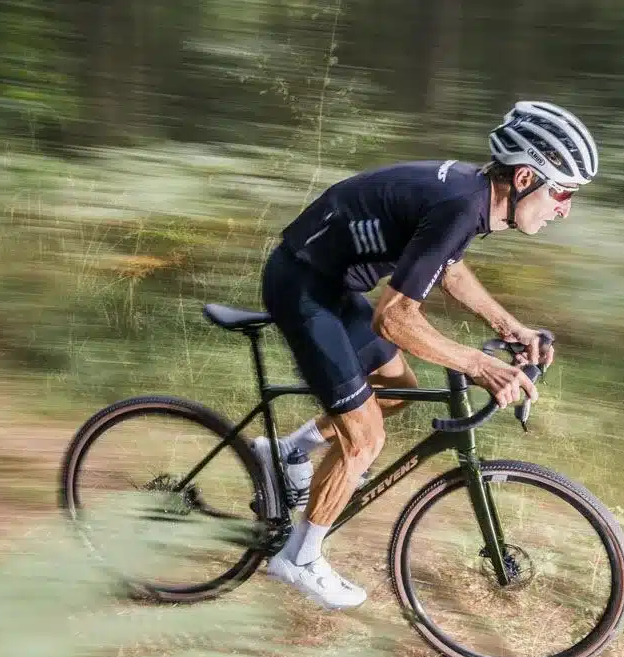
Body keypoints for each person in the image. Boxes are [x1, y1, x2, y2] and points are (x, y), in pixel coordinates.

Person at [252, 100, 598, 610]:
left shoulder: (471, 197)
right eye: (563, 192)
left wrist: (511, 328)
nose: (564, 208)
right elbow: (392, 318)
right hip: (302, 287)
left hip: (331, 284)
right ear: (525, 177)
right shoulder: (461, 204)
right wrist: (481, 365)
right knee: (365, 437)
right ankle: (297, 559)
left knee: (398, 391)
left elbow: (449, 269)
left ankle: (288, 452)